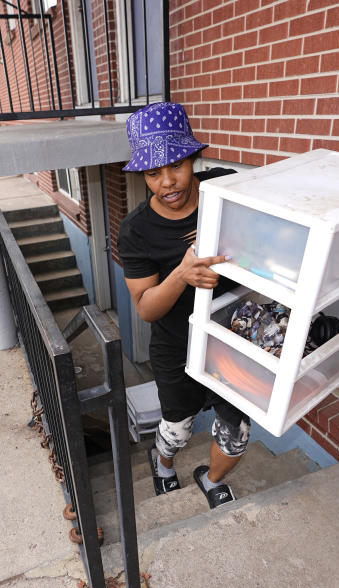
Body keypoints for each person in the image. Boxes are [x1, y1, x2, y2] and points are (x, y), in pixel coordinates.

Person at [117, 102, 250, 509]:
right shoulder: (136, 230)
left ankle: (210, 479)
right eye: (153, 173)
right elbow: (145, 308)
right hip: (176, 345)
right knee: (178, 426)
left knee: (237, 430)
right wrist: (182, 274)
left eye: (176, 164)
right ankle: (163, 462)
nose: (167, 182)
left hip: (232, 337)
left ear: (194, 157)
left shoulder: (226, 190)